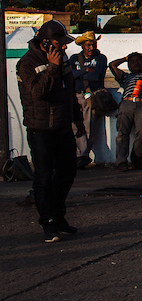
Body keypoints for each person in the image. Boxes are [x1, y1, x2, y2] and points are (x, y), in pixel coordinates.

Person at [17, 20, 83, 243]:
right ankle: (48, 223)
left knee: (68, 173)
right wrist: (52, 68)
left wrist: (77, 119)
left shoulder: (62, 60)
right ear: (45, 43)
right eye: (59, 43)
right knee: (44, 178)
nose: (64, 48)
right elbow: (36, 93)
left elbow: (69, 91)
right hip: (41, 129)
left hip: (62, 126)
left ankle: (58, 215)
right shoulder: (26, 64)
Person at [68, 30, 109, 169]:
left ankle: (83, 154)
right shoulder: (74, 58)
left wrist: (79, 74)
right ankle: (81, 154)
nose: (90, 48)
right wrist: (85, 71)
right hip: (76, 94)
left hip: (92, 95)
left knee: (89, 125)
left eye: (92, 44)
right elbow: (70, 75)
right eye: (87, 45)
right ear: (82, 46)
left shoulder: (101, 58)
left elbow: (97, 76)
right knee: (76, 125)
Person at [109, 52, 142, 171]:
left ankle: (136, 159)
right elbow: (112, 65)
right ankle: (121, 161)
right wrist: (125, 58)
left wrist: (141, 55)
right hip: (127, 103)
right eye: (132, 62)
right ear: (128, 65)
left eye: (139, 61)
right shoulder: (125, 76)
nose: (136, 63)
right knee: (122, 133)